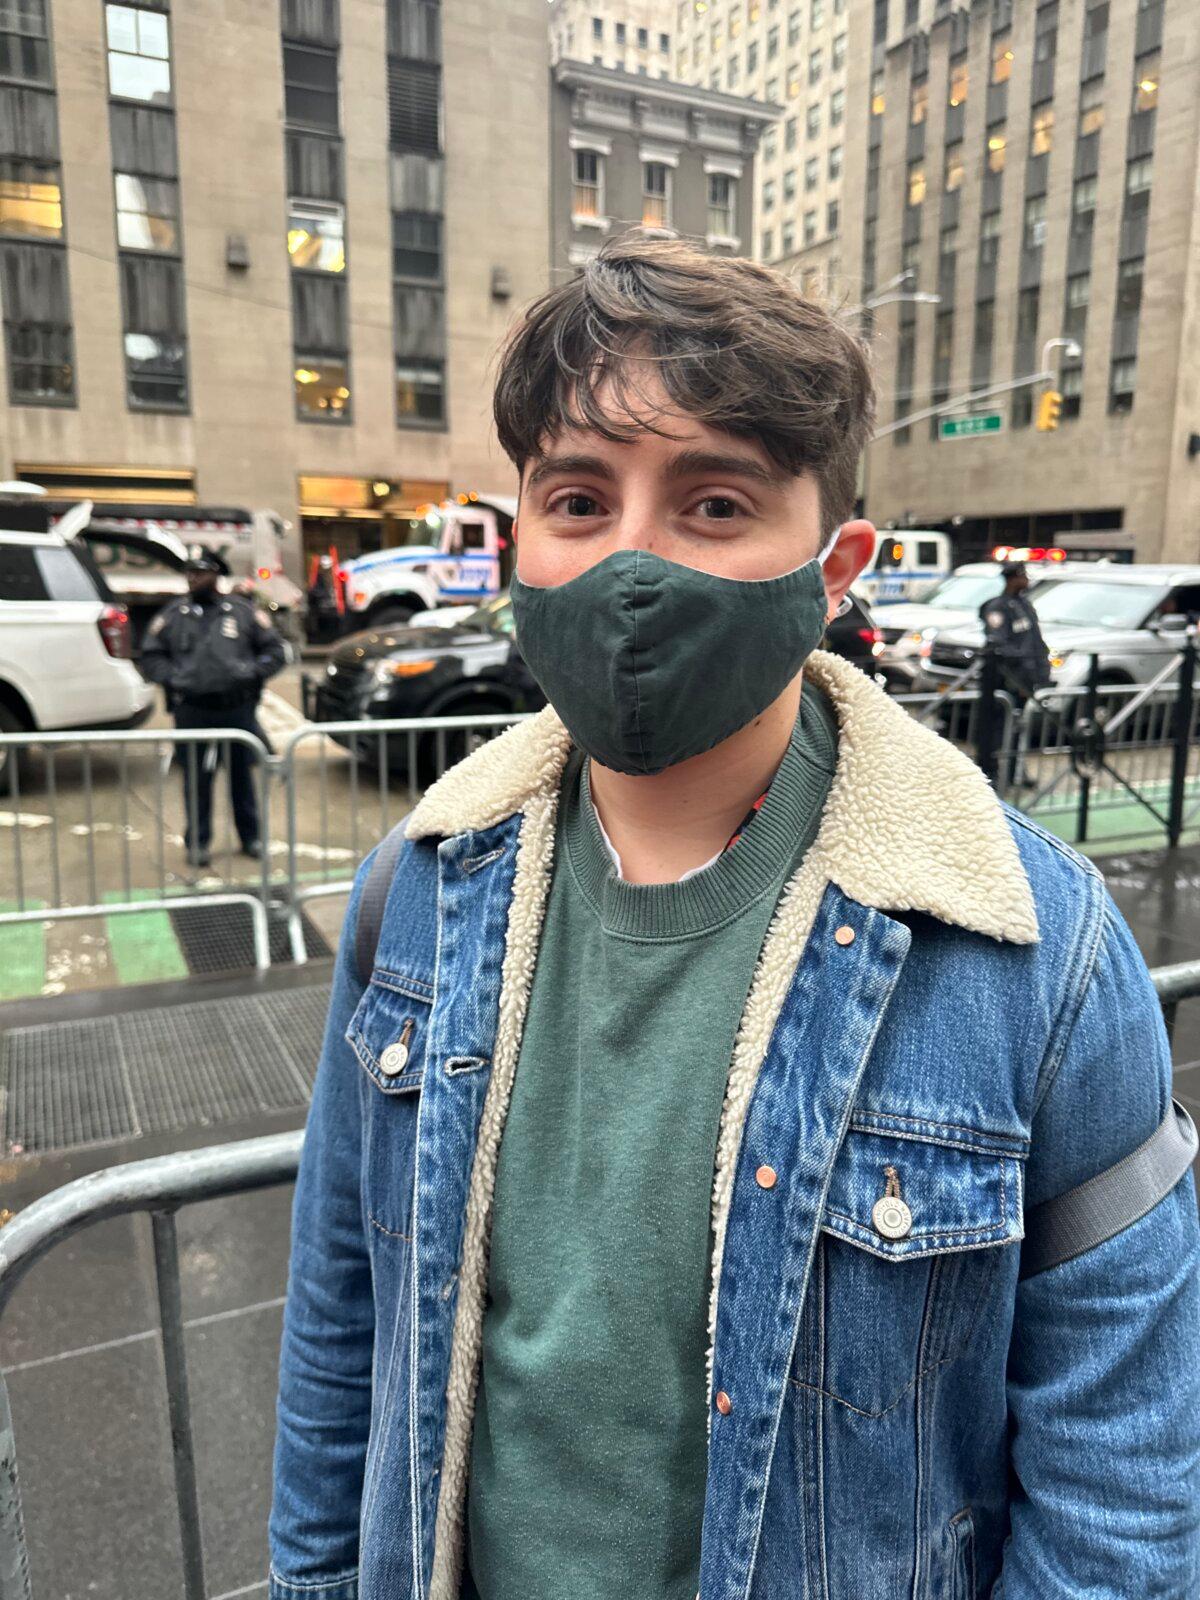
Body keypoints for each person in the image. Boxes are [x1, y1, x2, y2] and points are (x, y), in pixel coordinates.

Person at [269, 238, 1200, 1600]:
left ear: (839, 567)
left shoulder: (1035, 951)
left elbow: (1123, 1478)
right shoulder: (408, 894)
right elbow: (340, 1336)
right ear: (515, 537)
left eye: (713, 505)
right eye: (579, 500)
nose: (630, 566)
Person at [142, 546, 285, 869]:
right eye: (190, 572)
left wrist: (250, 674)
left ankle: (251, 837)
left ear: (216, 575)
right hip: (193, 711)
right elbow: (151, 655)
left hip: (236, 710)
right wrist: (174, 679)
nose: (193, 578)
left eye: (200, 572)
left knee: (241, 779)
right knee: (196, 781)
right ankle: (198, 842)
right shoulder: (173, 614)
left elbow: (275, 651)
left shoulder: (242, 612)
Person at [980, 561, 1053, 787]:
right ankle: (989, 771)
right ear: (1013, 578)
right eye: (1023, 575)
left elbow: (1035, 643)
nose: (1026, 579)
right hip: (1006, 679)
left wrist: (1042, 673)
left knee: (1019, 727)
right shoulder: (997, 608)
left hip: (1026, 678)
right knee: (996, 728)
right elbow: (1000, 645)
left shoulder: (1025, 606)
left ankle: (1014, 772)